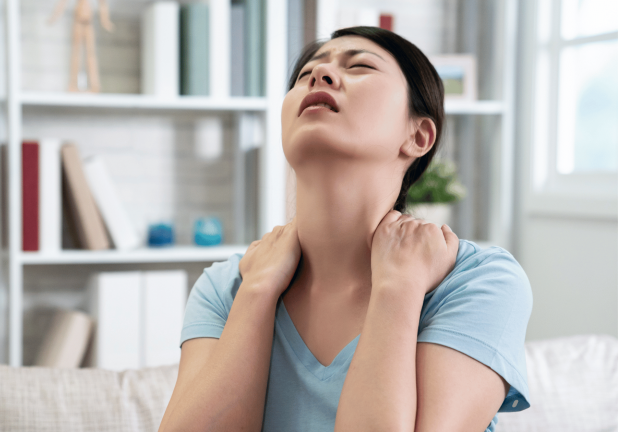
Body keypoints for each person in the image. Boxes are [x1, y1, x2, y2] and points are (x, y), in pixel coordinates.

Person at [158, 26, 533, 432]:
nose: (320, 76)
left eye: (360, 66)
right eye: (306, 75)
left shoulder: (478, 281)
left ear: (418, 135)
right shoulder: (226, 287)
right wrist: (257, 293)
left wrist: (398, 288)